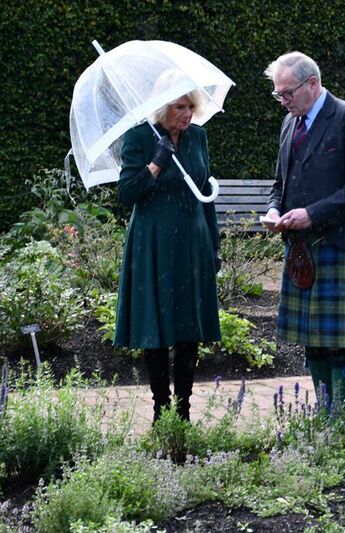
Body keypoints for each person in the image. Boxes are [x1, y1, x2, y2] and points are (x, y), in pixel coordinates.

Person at [262, 51, 345, 411]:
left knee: (342, 341)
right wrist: (274, 209)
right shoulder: (290, 124)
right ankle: (325, 412)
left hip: (339, 246)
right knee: (312, 339)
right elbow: (280, 182)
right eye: (278, 95)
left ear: (312, 83)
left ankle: (340, 418)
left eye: (287, 93)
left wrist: (312, 214)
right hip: (301, 248)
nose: (283, 101)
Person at [113, 73, 221, 422]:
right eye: (179, 106)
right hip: (154, 243)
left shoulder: (198, 138)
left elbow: (206, 194)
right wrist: (157, 162)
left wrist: (214, 244)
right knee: (156, 326)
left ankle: (184, 408)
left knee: (189, 327)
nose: (186, 114)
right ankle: (162, 409)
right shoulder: (140, 137)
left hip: (192, 243)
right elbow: (127, 193)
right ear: (163, 106)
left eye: (190, 106)